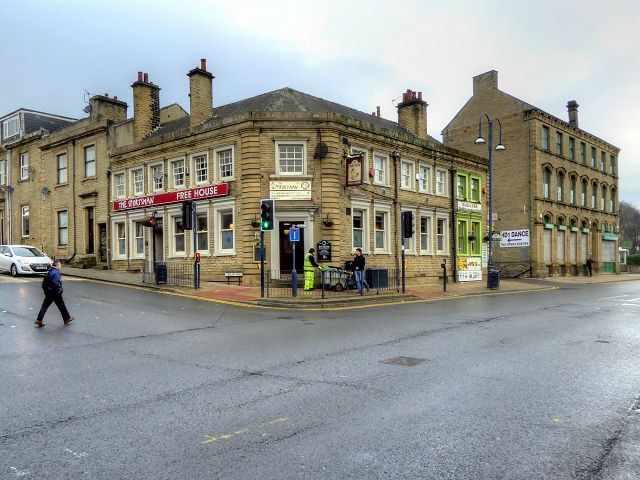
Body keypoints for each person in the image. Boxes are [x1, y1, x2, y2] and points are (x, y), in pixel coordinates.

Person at [35, 260, 75, 327]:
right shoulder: (56, 273)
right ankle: (66, 318)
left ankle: (66, 318)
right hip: (54, 292)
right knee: (60, 305)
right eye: (60, 265)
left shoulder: (50, 271)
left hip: (49, 292)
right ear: (57, 265)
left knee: (56, 305)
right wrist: (60, 290)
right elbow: (56, 284)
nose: (61, 266)